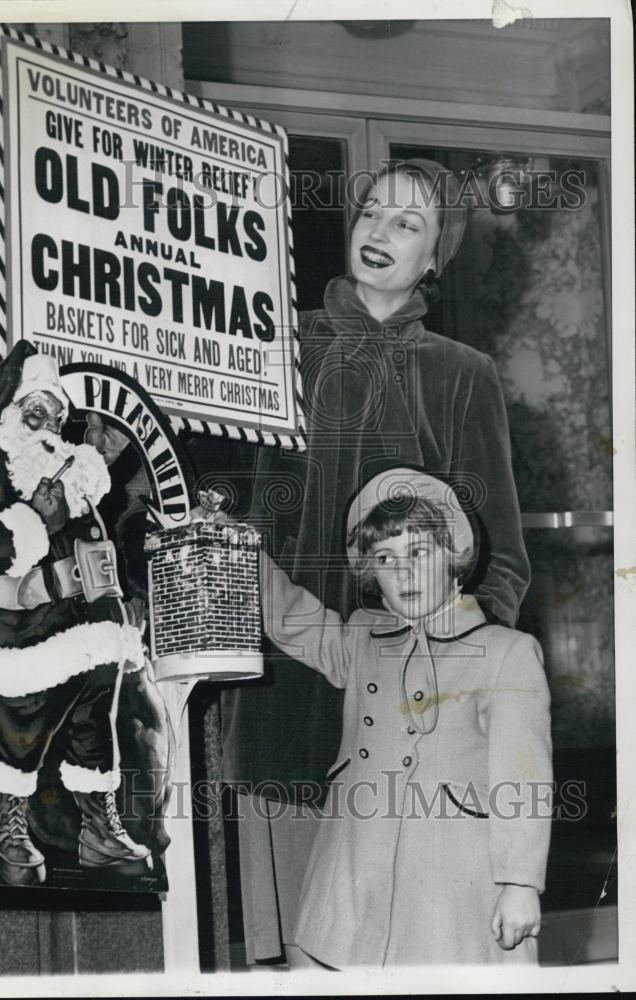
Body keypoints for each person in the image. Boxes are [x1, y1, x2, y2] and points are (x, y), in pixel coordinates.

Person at [220, 158, 532, 964]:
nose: (381, 233)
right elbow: (226, 512)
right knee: (300, 945)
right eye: (370, 214)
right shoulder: (271, 349)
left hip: (415, 715)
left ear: (436, 257)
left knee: (417, 945)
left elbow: (502, 563)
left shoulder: (463, 375)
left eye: (408, 223)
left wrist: (451, 677)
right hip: (285, 684)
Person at [256, 467, 552, 967]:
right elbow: (292, 619)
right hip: (353, 869)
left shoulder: (506, 652)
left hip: (450, 881)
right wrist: (236, 554)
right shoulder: (365, 640)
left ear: (455, 557)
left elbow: (522, 779)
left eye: (419, 553)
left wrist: (520, 882)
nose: (404, 574)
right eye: (385, 559)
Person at [0, 341, 151, 885]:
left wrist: (118, 611)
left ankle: (98, 835)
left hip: (90, 633)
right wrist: (35, 522)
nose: (49, 423)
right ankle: (8, 833)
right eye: (36, 410)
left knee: (92, 733)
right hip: (20, 635)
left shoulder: (71, 468)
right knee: (18, 734)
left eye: (56, 413)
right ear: (12, 411)